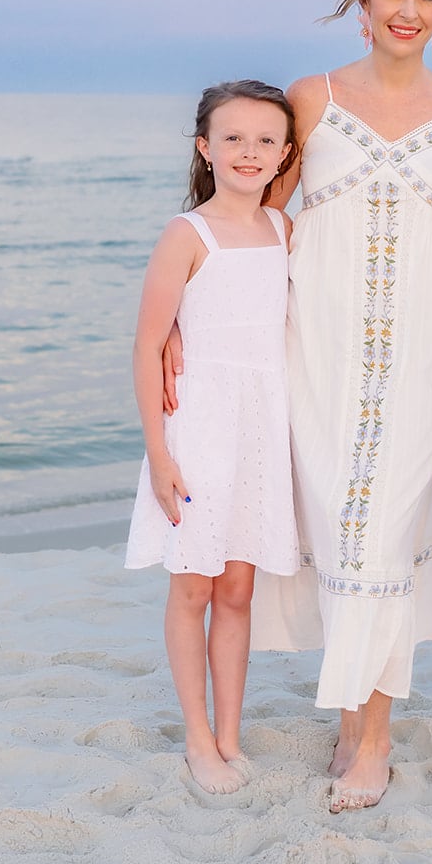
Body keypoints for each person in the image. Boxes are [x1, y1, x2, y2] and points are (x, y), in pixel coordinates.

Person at [231, 0, 432, 812]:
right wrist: (201, 322)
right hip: (317, 354)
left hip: (423, 360)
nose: (408, 11)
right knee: (340, 533)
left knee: (382, 535)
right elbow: (261, 224)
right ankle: (353, 719)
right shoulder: (310, 99)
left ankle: (374, 739)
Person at [126, 80, 301, 795]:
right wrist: (159, 454)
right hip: (198, 428)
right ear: (205, 148)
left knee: (237, 589)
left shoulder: (284, 228)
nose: (248, 152)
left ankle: (230, 734)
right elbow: (146, 346)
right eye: (232, 138)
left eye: (265, 140)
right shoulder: (187, 234)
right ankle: (198, 740)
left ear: (285, 153)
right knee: (193, 587)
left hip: (260, 427)